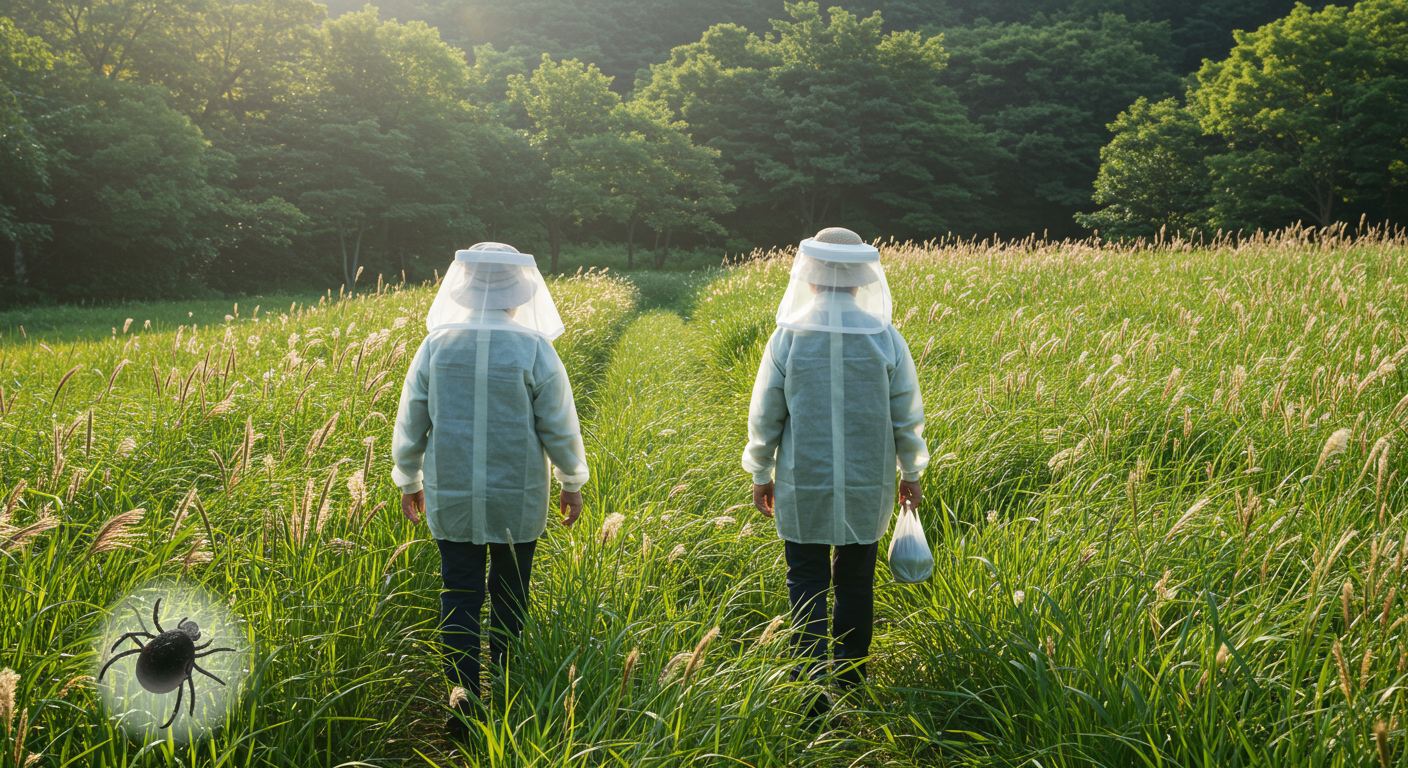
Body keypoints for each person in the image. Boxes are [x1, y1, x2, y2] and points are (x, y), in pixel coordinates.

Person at [391, 242, 588, 739]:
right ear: (518, 293)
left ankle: (460, 704)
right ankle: (503, 697)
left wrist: (408, 478)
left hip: (451, 492)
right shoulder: (534, 347)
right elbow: (559, 426)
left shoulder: (436, 345)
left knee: (458, 593)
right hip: (516, 495)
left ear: (464, 286)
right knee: (509, 594)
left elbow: (412, 419)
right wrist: (571, 481)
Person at [742, 227, 928, 716]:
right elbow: (907, 415)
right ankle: (850, 684)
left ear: (813, 273)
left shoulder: (789, 337)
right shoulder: (885, 337)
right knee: (855, 582)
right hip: (869, 483)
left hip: (804, 482)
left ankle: (808, 694)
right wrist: (912, 470)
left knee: (804, 578)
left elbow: (765, 416)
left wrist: (761, 471)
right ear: (861, 276)